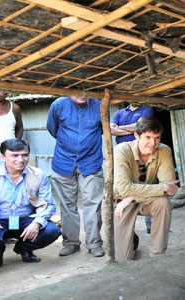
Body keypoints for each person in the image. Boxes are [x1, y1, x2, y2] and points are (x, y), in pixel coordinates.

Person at [47, 94, 105, 257]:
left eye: (86, 89)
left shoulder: (99, 106)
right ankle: (71, 243)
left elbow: (103, 130)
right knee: (67, 205)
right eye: (76, 89)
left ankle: (94, 243)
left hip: (91, 162)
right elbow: (53, 129)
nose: (82, 93)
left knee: (93, 204)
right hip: (63, 161)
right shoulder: (58, 105)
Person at [113, 117, 178, 261]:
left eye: (157, 138)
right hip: (120, 203)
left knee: (163, 202)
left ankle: (158, 256)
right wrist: (161, 188)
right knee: (122, 260)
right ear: (136, 135)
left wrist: (133, 197)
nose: (153, 143)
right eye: (148, 137)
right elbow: (123, 189)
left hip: (145, 201)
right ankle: (130, 239)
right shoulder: (121, 150)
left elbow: (169, 189)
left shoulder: (164, 150)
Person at [0, 139, 61, 267]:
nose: (21, 159)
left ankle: (23, 247)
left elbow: (49, 205)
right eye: (15, 156)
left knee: (52, 231)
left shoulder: (38, 174)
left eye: (25, 155)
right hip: (1, 220)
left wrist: (37, 222)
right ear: (2, 157)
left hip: (26, 219)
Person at [110, 103, 154, 233]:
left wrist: (120, 128)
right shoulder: (119, 113)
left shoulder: (147, 109)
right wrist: (134, 127)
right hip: (123, 156)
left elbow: (143, 127)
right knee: (123, 189)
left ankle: (150, 225)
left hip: (142, 154)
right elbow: (111, 130)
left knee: (146, 184)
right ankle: (127, 228)